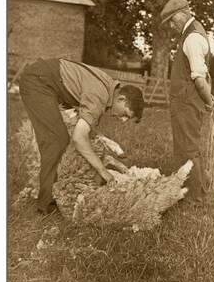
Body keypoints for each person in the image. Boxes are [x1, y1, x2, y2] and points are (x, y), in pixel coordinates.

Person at [19, 57, 145, 214]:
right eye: (126, 114)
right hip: (38, 82)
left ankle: (56, 188)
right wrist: (102, 171)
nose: (123, 120)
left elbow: (87, 128)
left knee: (66, 136)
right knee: (56, 140)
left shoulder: (108, 87)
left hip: (47, 80)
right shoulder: (99, 97)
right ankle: (45, 204)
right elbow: (79, 138)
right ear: (121, 99)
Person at [160, 0, 214, 203]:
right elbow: (200, 75)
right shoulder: (192, 33)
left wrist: (208, 100)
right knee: (186, 146)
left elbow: (199, 77)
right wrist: (209, 97)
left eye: (170, 19)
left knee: (188, 148)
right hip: (186, 100)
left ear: (182, 13)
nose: (170, 25)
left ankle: (196, 198)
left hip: (186, 103)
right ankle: (190, 191)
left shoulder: (192, 38)